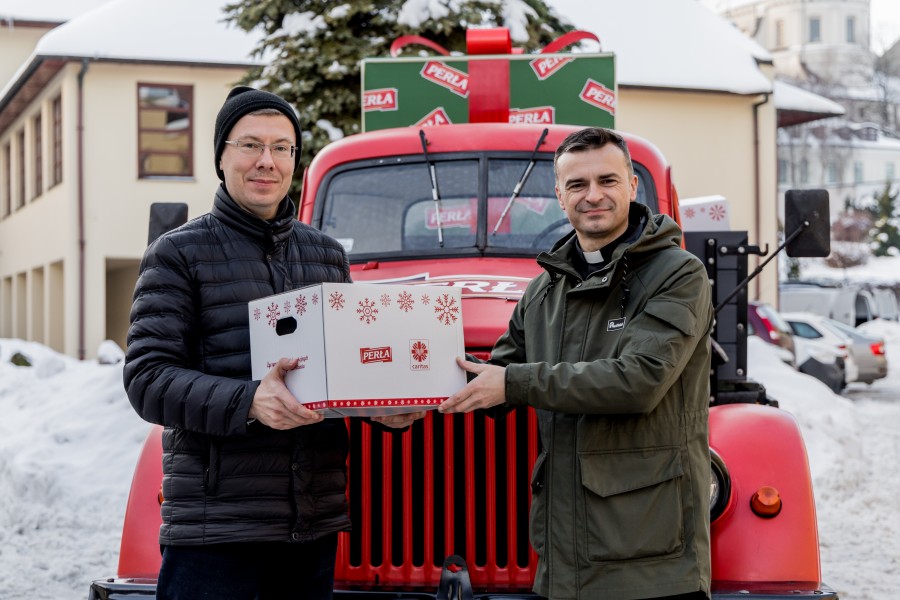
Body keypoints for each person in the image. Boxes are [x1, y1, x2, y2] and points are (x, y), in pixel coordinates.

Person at [123, 86, 422, 600]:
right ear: (221, 157)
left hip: (312, 526)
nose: (267, 161)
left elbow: (343, 368)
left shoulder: (326, 256)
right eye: (250, 145)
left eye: (281, 148)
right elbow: (147, 379)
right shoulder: (178, 254)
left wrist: (384, 407)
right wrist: (250, 401)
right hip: (216, 532)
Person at [439, 127, 714, 600]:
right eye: (577, 185)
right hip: (564, 561)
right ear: (559, 196)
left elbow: (640, 381)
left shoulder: (677, 273)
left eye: (607, 181)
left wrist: (514, 383)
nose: (593, 196)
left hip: (650, 564)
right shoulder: (544, 290)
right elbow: (491, 381)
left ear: (632, 185)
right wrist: (400, 388)